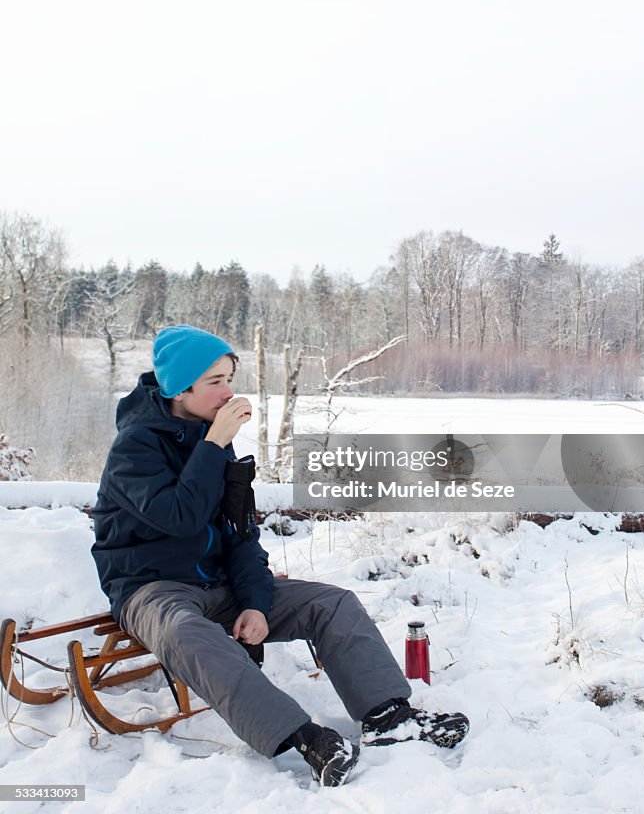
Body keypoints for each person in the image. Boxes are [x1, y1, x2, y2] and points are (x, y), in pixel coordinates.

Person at [91, 325, 469, 786]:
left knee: (331, 603)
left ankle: (389, 716)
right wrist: (213, 446)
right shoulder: (135, 447)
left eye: (230, 378)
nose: (228, 392)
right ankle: (304, 737)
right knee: (188, 632)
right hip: (149, 589)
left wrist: (253, 600)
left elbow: (241, 534)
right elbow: (179, 517)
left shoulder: (214, 440)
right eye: (215, 382)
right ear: (178, 388)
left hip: (218, 583)